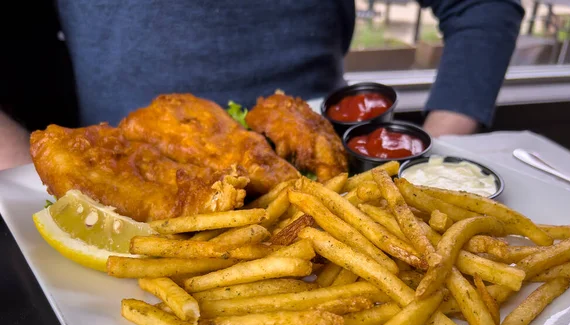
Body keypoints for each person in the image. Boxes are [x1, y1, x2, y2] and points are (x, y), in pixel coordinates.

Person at [0, 0, 524, 171]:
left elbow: (481, 5)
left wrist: (438, 157)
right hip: (116, 168)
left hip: (330, 160)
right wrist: (32, 174)